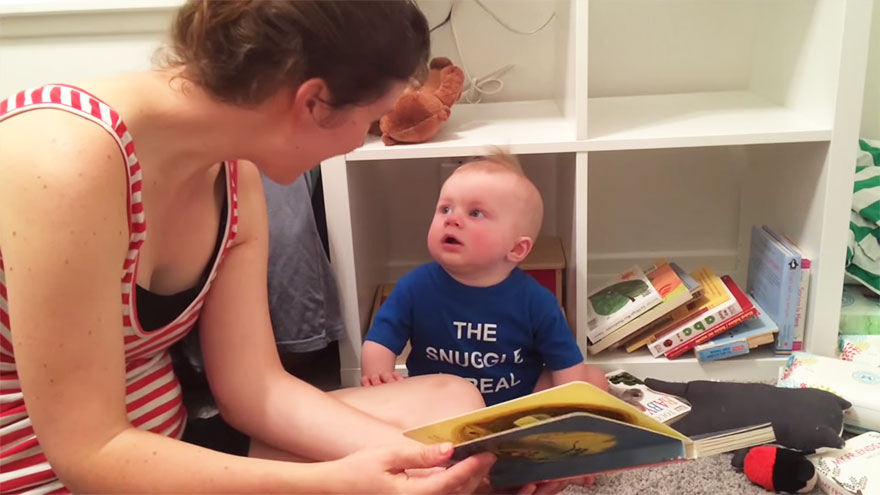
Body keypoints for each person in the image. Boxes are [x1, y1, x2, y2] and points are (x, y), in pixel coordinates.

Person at [0, 2, 502, 493]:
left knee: (451, 408)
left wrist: (436, 463)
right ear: (314, 103)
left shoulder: (235, 174)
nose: (361, 139)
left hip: (172, 446)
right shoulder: (64, 159)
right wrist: (329, 484)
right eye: (373, 116)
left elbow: (254, 389)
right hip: (58, 473)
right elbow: (91, 454)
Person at [361, 153, 609, 406]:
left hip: (515, 404)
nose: (452, 219)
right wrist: (378, 377)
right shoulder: (413, 288)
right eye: (445, 208)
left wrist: (572, 404)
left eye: (476, 213)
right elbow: (379, 341)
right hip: (438, 404)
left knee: (593, 380)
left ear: (517, 249)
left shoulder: (536, 301)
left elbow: (566, 364)